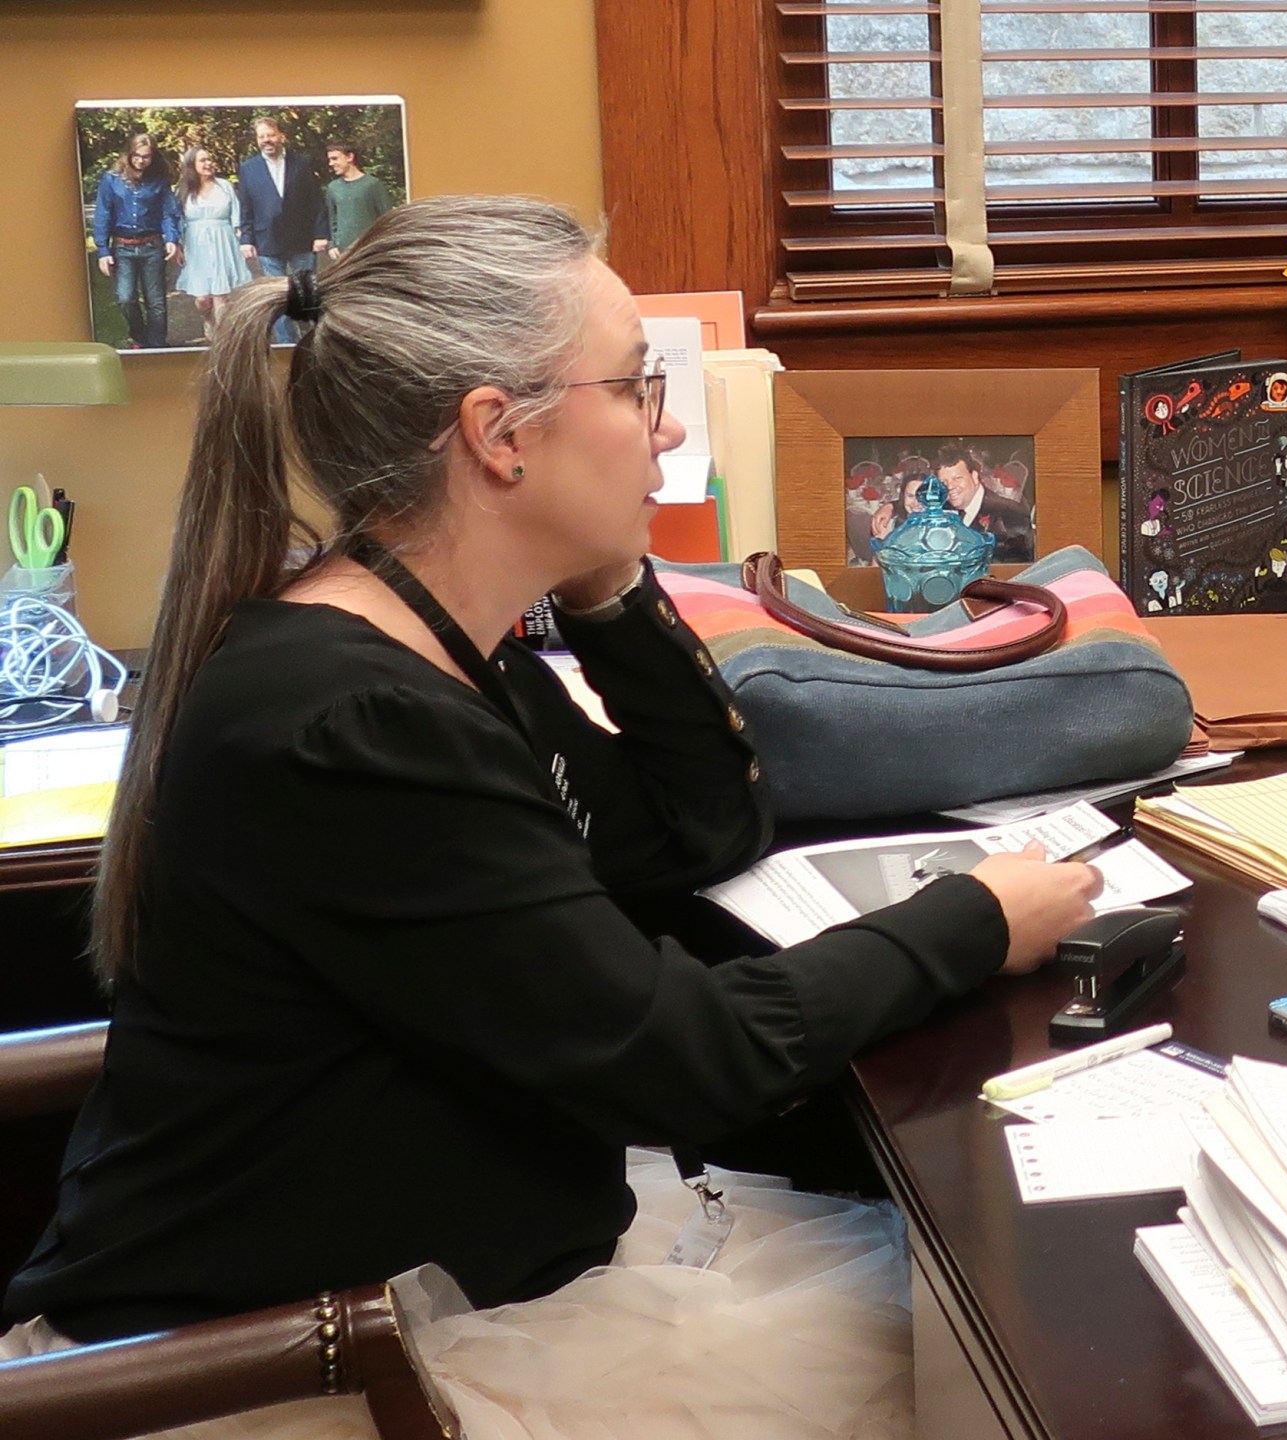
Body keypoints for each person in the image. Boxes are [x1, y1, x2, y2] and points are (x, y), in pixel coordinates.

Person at [0, 196, 1102, 1439]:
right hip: (283, 1371)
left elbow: (696, 829)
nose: (669, 425)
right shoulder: (352, 724)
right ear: (497, 435)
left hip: (462, 1269)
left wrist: (608, 588)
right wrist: (968, 920)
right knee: (993, 1374)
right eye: (637, 387)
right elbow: (679, 1061)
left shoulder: (442, 647)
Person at [233, 115, 327, 343]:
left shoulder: (302, 163)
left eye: (271, 135)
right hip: (268, 241)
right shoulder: (248, 168)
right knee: (278, 297)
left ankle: (315, 342)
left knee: (306, 295)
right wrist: (246, 238)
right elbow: (246, 206)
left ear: (281, 136)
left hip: (301, 240)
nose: (267, 140)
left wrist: (321, 234)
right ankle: (287, 344)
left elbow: (316, 201)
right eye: (262, 136)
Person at [866, 443, 1034, 561]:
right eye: (944, 482)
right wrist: (889, 506)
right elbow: (916, 503)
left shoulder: (1011, 516)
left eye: (957, 478)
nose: (950, 487)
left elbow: (1017, 572)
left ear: (975, 477)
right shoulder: (947, 504)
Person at [90, 132, 178, 349]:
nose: (141, 161)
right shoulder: (112, 179)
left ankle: (157, 345)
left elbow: (169, 212)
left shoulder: (159, 179)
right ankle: (140, 338)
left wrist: (172, 238)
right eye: (137, 156)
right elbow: (103, 213)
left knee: (155, 301)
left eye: (146, 156)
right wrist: (103, 250)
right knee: (125, 297)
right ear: (129, 154)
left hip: (152, 245)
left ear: (153, 157)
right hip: (122, 247)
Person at [172, 147, 254, 333]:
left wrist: (241, 236)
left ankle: (222, 340)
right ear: (192, 165)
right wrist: (179, 246)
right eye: (203, 160)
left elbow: (236, 213)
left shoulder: (224, 186)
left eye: (209, 159)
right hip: (196, 245)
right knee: (202, 299)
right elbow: (178, 221)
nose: (208, 163)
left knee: (221, 296)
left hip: (224, 241)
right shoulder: (184, 190)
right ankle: (207, 317)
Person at [321, 140, 395, 260]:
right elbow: (332, 219)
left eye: (335, 158)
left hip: (370, 249)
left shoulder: (372, 184)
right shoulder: (333, 188)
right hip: (342, 253)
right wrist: (332, 245)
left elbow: (387, 218)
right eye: (329, 159)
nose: (331, 163)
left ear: (350, 157)